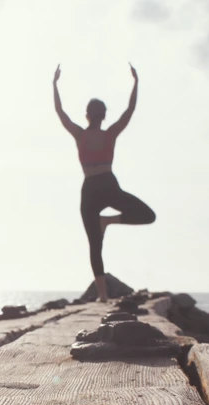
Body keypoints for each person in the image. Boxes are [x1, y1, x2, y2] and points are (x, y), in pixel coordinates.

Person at [53, 63, 155, 302]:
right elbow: (130, 111)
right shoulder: (110, 134)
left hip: (90, 188)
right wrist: (136, 84)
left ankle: (102, 295)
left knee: (94, 244)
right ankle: (109, 221)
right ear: (103, 115)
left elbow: (60, 112)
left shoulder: (80, 134)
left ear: (87, 114)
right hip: (108, 185)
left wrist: (54, 84)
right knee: (147, 215)